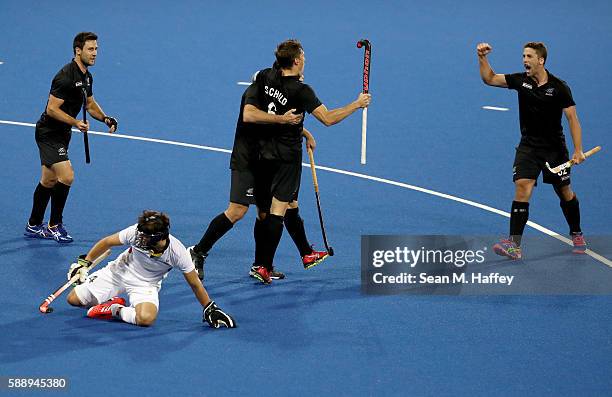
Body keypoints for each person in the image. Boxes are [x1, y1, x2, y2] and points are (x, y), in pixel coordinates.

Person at [244, 39, 371, 284]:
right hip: (286, 159)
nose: (305, 59)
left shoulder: (267, 75)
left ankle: (307, 253)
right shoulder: (302, 91)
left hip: (262, 153)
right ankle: (263, 266)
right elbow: (328, 118)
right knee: (277, 210)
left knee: (289, 204)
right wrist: (357, 104)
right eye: (303, 56)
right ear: (296, 61)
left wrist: (304, 131)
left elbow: (260, 82)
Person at [188, 81, 328, 282]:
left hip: (264, 162)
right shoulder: (254, 100)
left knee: (265, 214)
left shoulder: (269, 98)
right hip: (247, 162)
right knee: (237, 211)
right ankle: (198, 251)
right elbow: (267, 123)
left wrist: (305, 133)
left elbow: (278, 124)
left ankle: (261, 265)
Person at [477, 41, 588, 259]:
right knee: (522, 187)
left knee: (564, 192)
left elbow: (572, 118)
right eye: (523, 56)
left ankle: (576, 233)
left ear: (541, 60)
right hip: (528, 147)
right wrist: (482, 57)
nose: (524, 60)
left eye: (529, 56)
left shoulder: (559, 87)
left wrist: (578, 150)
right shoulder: (521, 81)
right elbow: (489, 79)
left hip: (555, 150)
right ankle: (514, 245)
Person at [65, 210, 236, 328]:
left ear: (160, 237)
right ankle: (108, 299)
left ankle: (113, 309)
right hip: (118, 272)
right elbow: (107, 242)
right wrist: (84, 264)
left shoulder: (177, 252)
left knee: (146, 318)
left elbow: (195, 283)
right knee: (73, 300)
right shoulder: (136, 233)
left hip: (146, 284)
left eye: (146, 237)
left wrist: (209, 308)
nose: (141, 239)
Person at [24, 32, 118, 243]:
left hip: (62, 133)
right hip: (49, 134)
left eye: (96, 49)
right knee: (66, 176)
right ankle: (54, 225)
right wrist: (76, 122)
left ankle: (33, 225)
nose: (95, 53)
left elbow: (90, 104)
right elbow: (51, 109)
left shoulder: (86, 76)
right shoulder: (65, 77)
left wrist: (105, 119)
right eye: (90, 49)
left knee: (48, 180)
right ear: (78, 50)